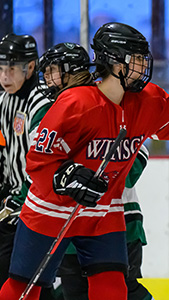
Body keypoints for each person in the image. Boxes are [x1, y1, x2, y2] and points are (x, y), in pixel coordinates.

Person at [0, 22, 169, 300]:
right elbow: (39, 158)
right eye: (136, 59)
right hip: (51, 210)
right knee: (23, 288)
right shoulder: (76, 103)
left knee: (113, 290)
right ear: (115, 62)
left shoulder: (148, 101)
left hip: (103, 212)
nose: (143, 65)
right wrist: (64, 175)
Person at [34, 42, 153, 300]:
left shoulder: (112, 101)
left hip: (117, 218)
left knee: (125, 290)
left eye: (53, 70)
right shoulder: (51, 110)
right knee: (74, 290)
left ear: (69, 72)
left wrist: (105, 176)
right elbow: (39, 164)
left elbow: (138, 152)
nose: (46, 79)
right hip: (67, 220)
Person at [0, 33, 55, 299]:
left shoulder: (41, 103)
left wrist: (18, 201)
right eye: (0, 68)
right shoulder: (3, 101)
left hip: (35, 208)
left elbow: (44, 163)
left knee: (27, 282)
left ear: (31, 67)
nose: (4, 76)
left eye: (11, 68)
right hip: (11, 206)